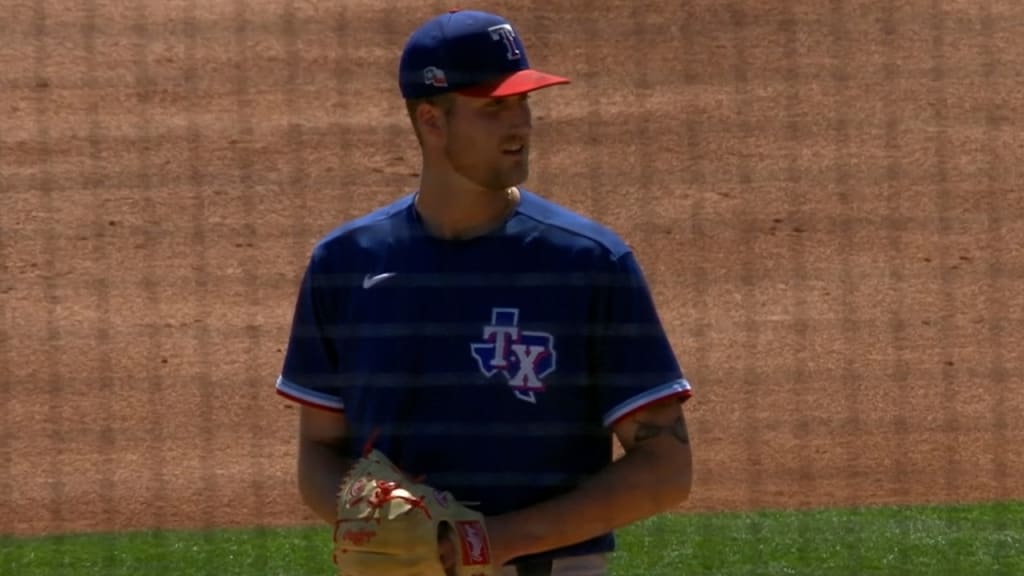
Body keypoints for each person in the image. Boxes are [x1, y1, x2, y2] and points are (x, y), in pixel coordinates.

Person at [275, 9, 694, 576]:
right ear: (432, 120)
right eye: (494, 107)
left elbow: (665, 469)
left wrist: (490, 542)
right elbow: (318, 455)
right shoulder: (346, 265)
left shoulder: (586, 263)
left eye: (524, 102)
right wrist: (370, 522)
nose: (519, 124)